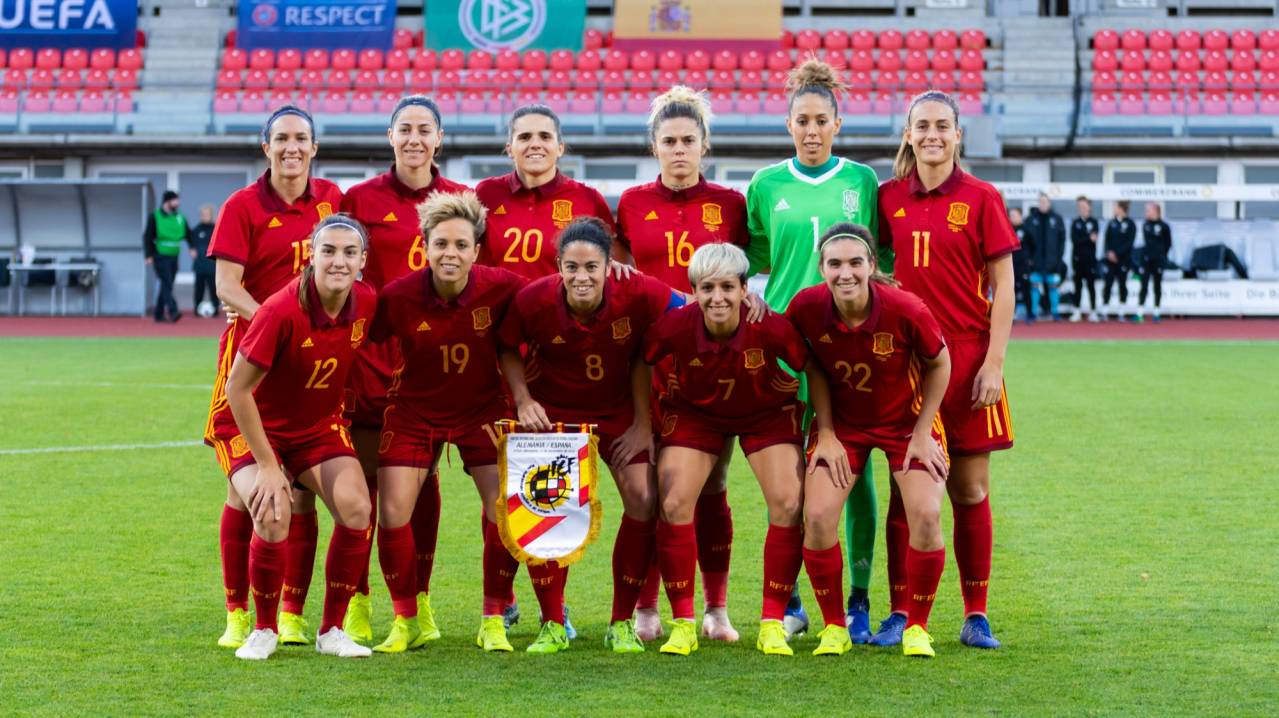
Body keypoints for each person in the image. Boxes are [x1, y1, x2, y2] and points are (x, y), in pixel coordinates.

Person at [498, 217, 685, 654]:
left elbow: (691, 306)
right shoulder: (534, 299)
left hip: (618, 413)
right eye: (572, 267)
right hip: (555, 415)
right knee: (545, 507)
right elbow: (506, 346)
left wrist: (643, 424)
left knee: (643, 498)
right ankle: (552, 624)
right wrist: (523, 399)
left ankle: (621, 622)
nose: (581, 277)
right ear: (558, 267)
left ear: (609, 266)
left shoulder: (638, 289)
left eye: (591, 267)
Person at [744, 57, 882, 641]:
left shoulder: (862, 182)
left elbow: (883, 264)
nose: (811, 130)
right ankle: (795, 597)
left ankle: (857, 597)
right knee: (794, 478)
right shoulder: (765, 185)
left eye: (821, 120)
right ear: (788, 124)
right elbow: (753, 263)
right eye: (801, 120)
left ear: (838, 123)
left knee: (856, 473)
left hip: (851, 348)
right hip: (786, 351)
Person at [876, 90, 1018, 650]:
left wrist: (994, 363)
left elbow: (1003, 285)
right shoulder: (887, 198)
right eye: (922, 126)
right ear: (908, 135)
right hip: (906, 365)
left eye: (942, 126)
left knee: (970, 490)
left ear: (959, 134)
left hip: (969, 359)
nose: (932, 135)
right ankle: (898, 612)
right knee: (905, 493)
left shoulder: (982, 197)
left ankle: (975, 612)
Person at [205, 105, 344, 650]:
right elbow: (226, 285)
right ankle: (238, 611)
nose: (292, 147)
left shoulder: (333, 200)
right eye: (281, 138)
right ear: (266, 148)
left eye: (301, 138)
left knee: (303, 495)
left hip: (312, 366)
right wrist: (276, 322)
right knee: (251, 494)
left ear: (314, 148)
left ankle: (291, 612)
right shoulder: (242, 206)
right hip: (253, 360)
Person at [615, 85, 747, 643]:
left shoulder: (733, 206)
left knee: (712, 484)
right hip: (647, 364)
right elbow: (619, 279)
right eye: (668, 141)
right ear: (653, 146)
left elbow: (746, 277)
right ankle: (647, 608)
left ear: (704, 144)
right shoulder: (629, 204)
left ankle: (715, 609)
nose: (678, 150)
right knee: (650, 487)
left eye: (688, 141)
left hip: (715, 364)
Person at [367, 190, 526, 654]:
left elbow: (553, 300)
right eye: (441, 244)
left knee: (504, 510)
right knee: (393, 512)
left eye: (460, 245)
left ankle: (493, 619)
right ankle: (406, 619)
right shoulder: (397, 297)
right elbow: (352, 327)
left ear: (476, 250)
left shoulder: (504, 287)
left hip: (483, 409)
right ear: (425, 246)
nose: (450, 254)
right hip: (415, 411)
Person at [644, 243, 820, 657]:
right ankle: (684, 623)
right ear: (694, 290)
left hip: (764, 413)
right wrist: (641, 420)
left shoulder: (770, 326)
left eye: (727, 286)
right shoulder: (675, 325)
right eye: (707, 288)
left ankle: (773, 623)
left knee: (788, 502)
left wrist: (824, 430)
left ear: (745, 288)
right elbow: (643, 360)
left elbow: (810, 366)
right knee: (673, 501)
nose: (717, 297)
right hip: (696, 415)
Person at [338, 95, 470, 644]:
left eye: (425, 130)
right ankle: (358, 603)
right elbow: (339, 264)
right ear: (390, 136)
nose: (415, 139)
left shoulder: (462, 199)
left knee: (423, 484)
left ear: (439, 139)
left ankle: (418, 603)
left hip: (433, 365)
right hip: (370, 360)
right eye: (405, 129)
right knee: (368, 486)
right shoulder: (359, 198)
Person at [787, 223, 951, 658]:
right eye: (835, 263)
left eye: (855, 263)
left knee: (927, 513)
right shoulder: (806, 307)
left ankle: (917, 627)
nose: (845, 273)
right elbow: (813, 367)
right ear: (821, 268)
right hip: (844, 429)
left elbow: (940, 363)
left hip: (907, 425)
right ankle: (835, 628)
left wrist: (922, 432)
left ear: (872, 266)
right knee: (818, 516)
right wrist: (825, 433)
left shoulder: (906, 308)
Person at [217, 214, 376, 660]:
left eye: (349, 253)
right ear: (311, 255)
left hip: (315, 428)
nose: (338, 261)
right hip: (256, 427)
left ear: (363, 260)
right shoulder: (280, 309)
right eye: (328, 251)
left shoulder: (366, 302)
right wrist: (269, 466)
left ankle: (332, 630)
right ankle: (263, 629)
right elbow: (237, 389)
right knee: (272, 511)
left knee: (358, 507)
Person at [476, 104, 618, 281]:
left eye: (545, 137)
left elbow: (613, 264)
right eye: (524, 137)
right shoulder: (486, 193)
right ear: (510, 149)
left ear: (560, 148)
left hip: (558, 308)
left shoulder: (589, 199)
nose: (535, 144)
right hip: (498, 308)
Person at [144, 189, 189, 323]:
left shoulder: (179, 217)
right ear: (167, 201)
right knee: (167, 281)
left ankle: (158, 313)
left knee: (166, 284)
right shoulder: (155, 216)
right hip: (160, 255)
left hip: (174, 255)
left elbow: (188, 233)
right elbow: (147, 236)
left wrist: (192, 247)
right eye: (175, 200)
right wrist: (148, 255)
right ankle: (173, 310)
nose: (178, 202)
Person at [1025, 192, 1066, 321]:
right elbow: (1025, 242)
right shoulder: (1031, 219)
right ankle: (1034, 313)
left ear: (1049, 203)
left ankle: (1055, 312)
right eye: (1041, 201)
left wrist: (1058, 260)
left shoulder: (1057, 219)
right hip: (1035, 263)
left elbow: (1061, 242)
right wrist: (1029, 259)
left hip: (1052, 263)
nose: (1043, 204)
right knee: (1034, 287)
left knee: (1053, 288)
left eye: (1045, 201)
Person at [1138, 202, 1172, 323]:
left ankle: (1156, 312)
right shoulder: (1145, 225)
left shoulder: (1164, 226)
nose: (1146, 212)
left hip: (1158, 261)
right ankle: (1140, 312)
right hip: (1146, 260)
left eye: (1148, 210)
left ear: (1156, 211)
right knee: (1144, 286)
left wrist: (1162, 256)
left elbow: (1168, 243)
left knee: (1157, 286)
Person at [1102, 199, 1136, 320]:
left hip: (1123, 260)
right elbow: (1107, 240)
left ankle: (1121, 310)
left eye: (1115, 207)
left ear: (1121, 208)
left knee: (1122, 284)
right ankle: (1105, 309)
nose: (1114, 209)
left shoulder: (1130, 224)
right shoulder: (1112, 223)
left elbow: (1129, 243)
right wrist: (1109, 253)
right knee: (1108, 284)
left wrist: (1117, 254)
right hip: (1110, 260)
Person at [1069, 196, 1101, 323]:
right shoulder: (1075, 222)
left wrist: (1084, 238)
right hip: (1077, 259)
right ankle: (1077, 311)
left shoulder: (1094, 222)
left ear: (1089, 207)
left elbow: (1094, 238)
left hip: (1090, 259)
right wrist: (1088, 238)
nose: (1082, 208)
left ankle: (1093, 311)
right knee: (1078, 286)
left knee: (1091, 286)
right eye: (1080, 206)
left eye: (1084, 206)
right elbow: (1075, 240)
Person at [188, 204, 218, 315]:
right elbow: (191, 243)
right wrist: (191, 249)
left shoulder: (216, 229)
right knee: (198, 288)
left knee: (213, 288)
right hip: (199, 265)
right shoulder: (196, 230)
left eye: (206, 214)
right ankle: (197, 308)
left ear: (211, 215)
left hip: (212, 266)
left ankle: (215, 308)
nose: (204, 216)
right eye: (202, 214)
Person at [1009, 207, 1035, 323]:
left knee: (1026, 290)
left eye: (1015, 215)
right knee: (1011, 291)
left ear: (1020, 216)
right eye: (1011, 215)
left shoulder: (1026, 230)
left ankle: (1030, 314)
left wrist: (1030, 260)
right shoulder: (1007, 229)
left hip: (1023, 265)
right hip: (1010, 265)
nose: (1013, 218)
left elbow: (1034, 246)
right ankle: (1011, 315)